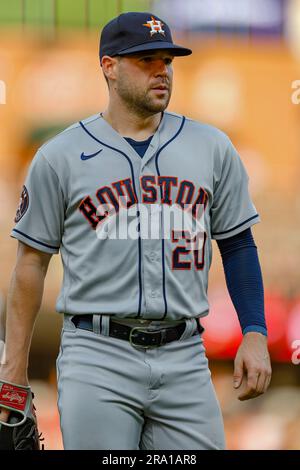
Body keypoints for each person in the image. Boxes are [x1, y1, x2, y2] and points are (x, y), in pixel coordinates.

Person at [0, 12, 271, 450]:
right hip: (97, 353)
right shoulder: (59, 156)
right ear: (108, 66)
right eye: (146, 60)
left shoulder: (212, 147)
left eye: (167, 60)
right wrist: (13, 373)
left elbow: (238, 243)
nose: (161, 70)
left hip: (185, 353)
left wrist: (255, 332)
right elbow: (30, 265)